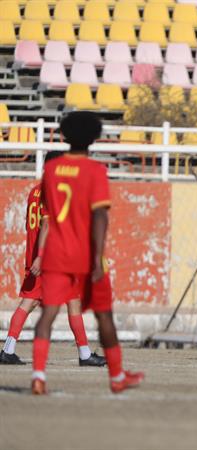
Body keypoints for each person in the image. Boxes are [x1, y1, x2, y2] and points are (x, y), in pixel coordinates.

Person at [31, 111, 144, 395]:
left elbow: (50, 212)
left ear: (64, 135)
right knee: (104, 316)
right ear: (94, 138)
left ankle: (38, 375)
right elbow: (100, 217)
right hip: (85, 254)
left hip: (56, 253)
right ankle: (117, 376)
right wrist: (97, 257)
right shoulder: (95, 171)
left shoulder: (51, 170)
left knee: (47, 315)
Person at [0, 152, 106, 367]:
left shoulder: (34, 191)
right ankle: (85, 354)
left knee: (30, 301)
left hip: (37, 256)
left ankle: (8, 350)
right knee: (72, 300)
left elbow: (33, 225)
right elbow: (47, 225)